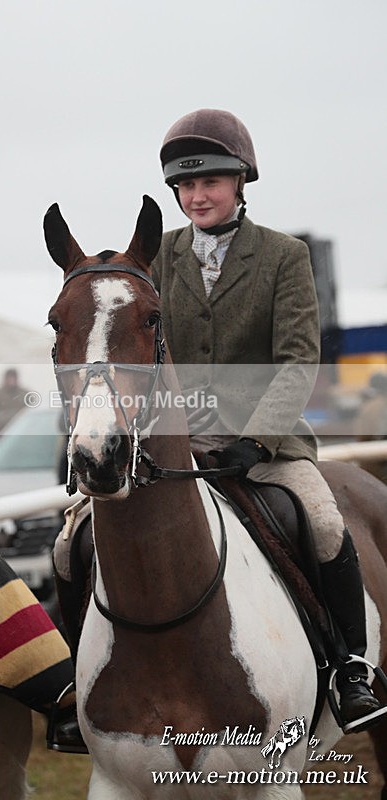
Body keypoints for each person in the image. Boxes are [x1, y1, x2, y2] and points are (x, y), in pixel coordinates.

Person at [152, 108, 387, 733]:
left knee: (325, 522)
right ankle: (79, 679)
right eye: (186, 185)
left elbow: (297, 360)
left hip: (266, 445)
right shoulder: (161, 256)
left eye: (210, 182)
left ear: (240, 182)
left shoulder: (284, 255)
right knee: (74, 537)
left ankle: (351, 667)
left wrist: (256, 439)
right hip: (178, 441)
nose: (197, 196)